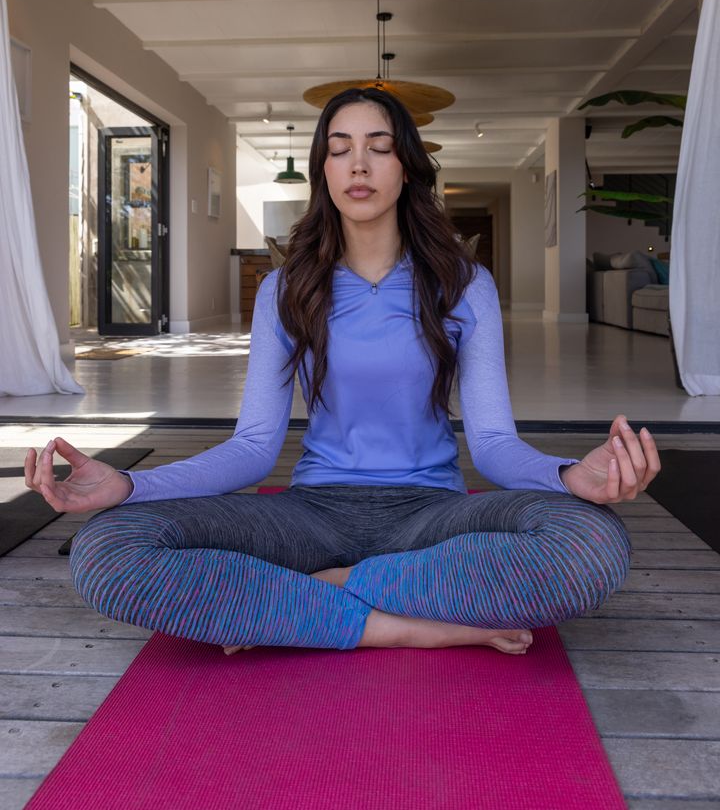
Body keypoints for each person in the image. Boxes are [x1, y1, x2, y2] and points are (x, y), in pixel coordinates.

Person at [26, 88, 660, 657]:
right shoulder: (284, 290)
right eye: (340, 149)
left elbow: (493, 447)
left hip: (430, 518)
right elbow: (252, 450)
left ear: (406, 167)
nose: (359, 164)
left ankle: (312, 599)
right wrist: (131, 489)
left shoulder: (465, 286)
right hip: (312, 515)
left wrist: (569, 476)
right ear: (322, 169)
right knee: (107, 550)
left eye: (378, 148)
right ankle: (407, 625)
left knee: (589, 543)